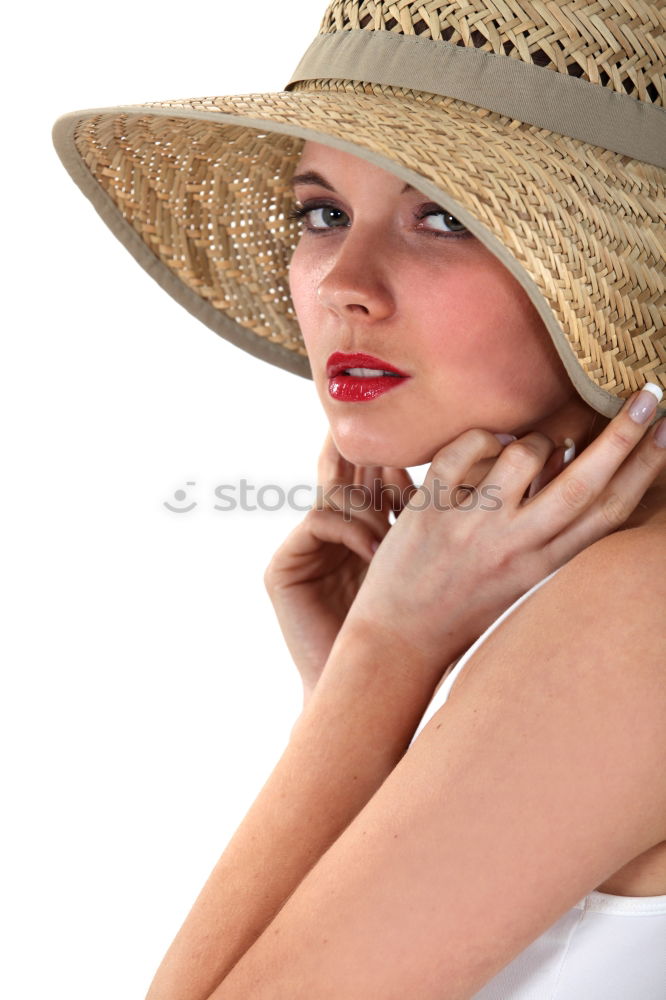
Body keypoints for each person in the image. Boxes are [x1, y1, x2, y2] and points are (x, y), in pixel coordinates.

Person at [52, 1, 666, 997]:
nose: (343, 281)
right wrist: (369, 695)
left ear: (620, 278)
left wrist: (385, 658)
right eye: (322, 212)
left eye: (445, 216)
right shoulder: (585, 599)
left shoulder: (638, 611)